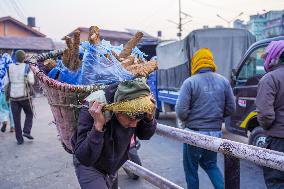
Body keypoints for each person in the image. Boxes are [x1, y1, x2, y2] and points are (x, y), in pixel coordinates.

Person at [72, 79, 157, 189]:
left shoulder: (137, 106)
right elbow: (84, 157)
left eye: (138, 120)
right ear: (117, 111)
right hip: (90, 166)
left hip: (112, 165)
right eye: (130, 119)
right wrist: (98, 127)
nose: (133, 125)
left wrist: (149, 119)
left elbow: (145, 135)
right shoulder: (93, 109)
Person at [175, 48, 236, 189]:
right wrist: (217, 117)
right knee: (211, 165)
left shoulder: (190, 82)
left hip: (194, 133)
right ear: (210, 62)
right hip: (215, 133)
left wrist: (190, 118)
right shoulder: (224, 81)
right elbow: (231, 108)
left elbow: (180, 111)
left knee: (191, 169)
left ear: (196, 62)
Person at [256, 40, 284, 189]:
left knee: (277, 183)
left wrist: (268, 127)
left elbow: (266, 115)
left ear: (275, 57)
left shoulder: (270, 78)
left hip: (279, 141)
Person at [5, 50, 35, 145]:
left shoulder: (9, 67)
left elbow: (6, 83)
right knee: (29, 113)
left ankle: (19, 139)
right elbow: (31, 81)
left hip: (13, 97)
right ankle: (26, 131)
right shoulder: (27, 67)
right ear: (24, 58)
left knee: (16, 119)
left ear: (15, 57)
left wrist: (7, 96)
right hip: (24, 96)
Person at [0, 53, 15, 133]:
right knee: (11, 108)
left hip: (1, 90)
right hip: (10, 89)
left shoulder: (1, 64)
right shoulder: (11, 63)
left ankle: (4, 120)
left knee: (3, 108)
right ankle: (12, 126)